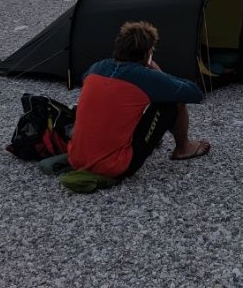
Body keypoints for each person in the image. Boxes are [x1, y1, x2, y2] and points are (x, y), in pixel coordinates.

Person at [67, 20, 211, 179]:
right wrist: (159, 74)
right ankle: (184, 148)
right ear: (147, 54)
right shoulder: (143, 77)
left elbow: (86, 80)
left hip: (75, 159)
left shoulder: (96, 68)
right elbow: (195, 93)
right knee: (171, 101)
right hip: (115, 166)